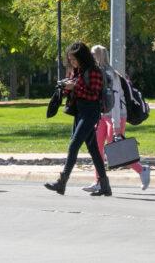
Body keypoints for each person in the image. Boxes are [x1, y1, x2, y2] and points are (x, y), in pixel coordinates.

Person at [45, 41, 112, 197]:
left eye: (74, 60)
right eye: (70, 60)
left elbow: (93, 94)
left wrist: (74, 87)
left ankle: (62, 182)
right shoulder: (77, 71)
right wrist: (65, 87)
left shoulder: (93, 71)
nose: (72, 63)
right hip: (79, 112)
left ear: (82, 57)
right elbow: (74, 92)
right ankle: (105, 185)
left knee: (74, 144)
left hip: (90, 112)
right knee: (93, 149)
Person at [86, 45, 149, 192]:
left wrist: (115, 126)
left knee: (115, 150)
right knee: (97, 149)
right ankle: (99, 181)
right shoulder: (96, 73)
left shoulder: (110, 74)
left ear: (100, 56)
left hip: (116, 116)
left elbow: (114, 102)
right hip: (102, 117)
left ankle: (142, 170)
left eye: (92, 55)